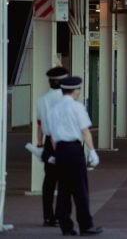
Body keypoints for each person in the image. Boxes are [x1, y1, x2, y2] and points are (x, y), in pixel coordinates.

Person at [50, 76, 102, 236]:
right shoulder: (77, 108)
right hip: (74, 150)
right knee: (80, 190)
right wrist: (92, 151)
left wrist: (55, 153)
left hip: (60, 150)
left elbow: (52, 135)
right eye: (78, 89)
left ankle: (66, 226)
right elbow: (85, 131)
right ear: (75, 90)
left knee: (64, 190)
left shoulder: (54, 109)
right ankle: (85, 225)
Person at [38, 66, 69, 227]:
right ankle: (59, 216)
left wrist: (40, 143)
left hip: (48, 144)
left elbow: (40, 124)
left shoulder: (42, 100)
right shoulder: (65, 99)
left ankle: (47, 217)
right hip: (64, 144)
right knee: (63, 182)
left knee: (48, 182)